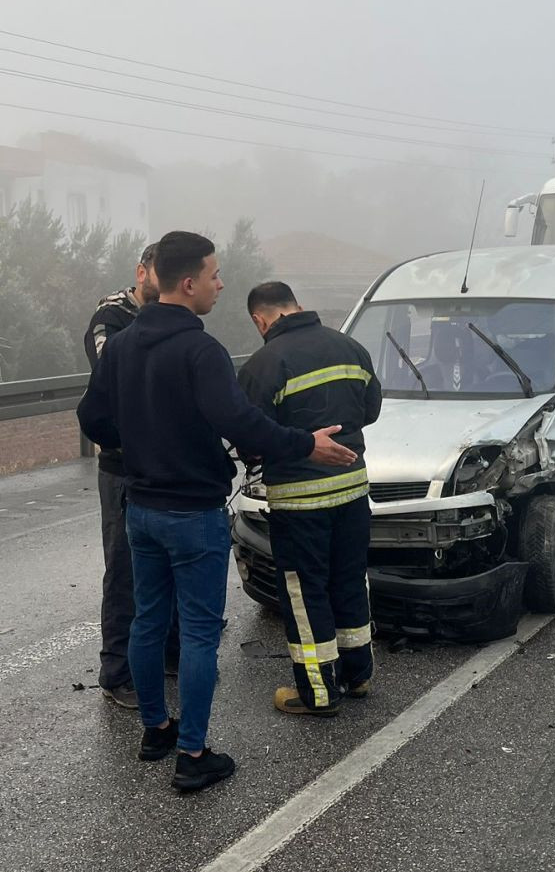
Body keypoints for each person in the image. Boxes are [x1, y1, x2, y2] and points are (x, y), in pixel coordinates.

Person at [77, 232, 357, 795]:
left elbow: (93, 419)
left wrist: (140, 444)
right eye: (213, 274)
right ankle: (193, 752)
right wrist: (308, 445)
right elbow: (244, 425)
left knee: (149, 620)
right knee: (201, 634)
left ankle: (156, 729)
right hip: (193, 512)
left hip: (142, 506)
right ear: (187, 283)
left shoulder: (127, 344)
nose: (220, 284)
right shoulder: (200, 351)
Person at [238, 282, 382, 716]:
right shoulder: (351, 347)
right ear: (296, 307)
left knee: (305, 592)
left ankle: (318, 693)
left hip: (300, 503)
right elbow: (370, 410)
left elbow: (252, 438)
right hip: (353, 491)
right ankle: (358, 675)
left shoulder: (263, 364)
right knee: (350, 579)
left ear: (259, 320)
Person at [83, 242, 179, 707]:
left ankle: (171, 653)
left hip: (166, 459)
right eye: (160, 278)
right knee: (124, 568)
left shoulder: (170, 312)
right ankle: (117, 673)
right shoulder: (113, 317)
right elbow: (116, 378)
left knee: (173, 559)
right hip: (123, 463)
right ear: (142, 273)